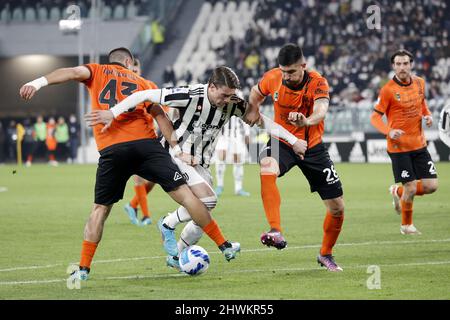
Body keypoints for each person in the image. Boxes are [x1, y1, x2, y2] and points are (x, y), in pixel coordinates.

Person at [19, 47, 240, 282]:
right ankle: (223, 244)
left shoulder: (97, 71)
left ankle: (83, 269)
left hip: (112, 151)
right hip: (146, 146)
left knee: (100, 210)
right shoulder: (144, 82)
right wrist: (176, 150)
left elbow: (71, 72)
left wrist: (38, 82)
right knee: (187, 197)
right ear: (129, 62)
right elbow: (161, 117)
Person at [86, 66, 307, 270]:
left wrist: (292, 139)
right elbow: (143, 95)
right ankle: (168, 223)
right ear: (211, 87)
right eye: (223, 95)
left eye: (231, 95)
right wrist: (113, 113)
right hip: (178, 153)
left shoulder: (232, 103)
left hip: (201, 162)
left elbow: (262, 121)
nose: (227, 100)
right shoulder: (189, 95)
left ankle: (177, 257)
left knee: (204, 210)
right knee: (208, 200)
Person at [244, 43, 345, 272]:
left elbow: (321, 110)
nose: (287, 76)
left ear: (303, 66)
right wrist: (253, 108)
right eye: (284, 71)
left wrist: (306, 121)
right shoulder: (273, 77)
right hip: (283, 142)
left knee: (337, 208)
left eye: (292, 71)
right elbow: (255, 93)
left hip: (314, 148)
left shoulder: (318, 81)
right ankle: (275, 230)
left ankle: (325, 254)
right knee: (267, 166)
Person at [370, 49, 438, 235]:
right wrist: (388, 131)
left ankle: (397, 192)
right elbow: (375, 118)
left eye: (405, 63)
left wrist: (428, 115)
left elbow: (422, 103)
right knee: (410, 186)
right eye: (398, 64)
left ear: (411, 64)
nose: (402, 67)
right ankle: (406, 226)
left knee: (431, 186)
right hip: (399, 148)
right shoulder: (387, 90)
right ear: (393, 66)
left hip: (419, 144)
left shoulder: (420, 83)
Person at [122, 57, 158, 226]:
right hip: (131, 138)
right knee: (138, 177)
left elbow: (162, 109)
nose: (135, 72)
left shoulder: (149, 86)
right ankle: (146, 216)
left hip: (150, 138)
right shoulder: (123, 90)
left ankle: (132, 204)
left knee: (154, 178)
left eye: (137, 69)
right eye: (132, 70)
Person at [214, 116, 251, 197]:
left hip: (237, 135)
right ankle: (219, 186)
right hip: (222, 135)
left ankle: (238, 188)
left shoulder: (241, 104)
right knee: (221, 156)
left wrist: (247, 133)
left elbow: (246, 116)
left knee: (237, 160)